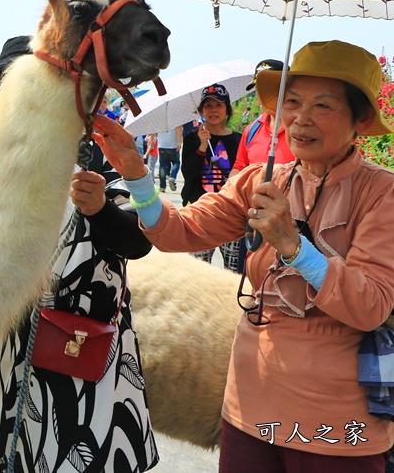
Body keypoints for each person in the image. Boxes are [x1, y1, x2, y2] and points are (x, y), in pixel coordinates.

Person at [91, 40, 394, 472]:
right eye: (292, 102)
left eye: (322, 106)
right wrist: (137, 175)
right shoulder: (261, 181)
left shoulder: (382, 193)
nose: (300, 119)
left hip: (336, 418)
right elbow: (180, 230)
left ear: (360, 118)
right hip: (248, 404)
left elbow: (370, 306)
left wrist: (293, 246)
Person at [0, 36, 158, 473]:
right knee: (16, 453)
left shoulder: (102, 152)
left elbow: (140, 241)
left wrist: (101, 210)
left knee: (83, 453)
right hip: (10, 349)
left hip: (83, 347)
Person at [180, 83, 243, 271]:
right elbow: (189, 173)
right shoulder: (192, 139)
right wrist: (201, 146)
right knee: (198, 272)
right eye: (208, 106)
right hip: (201, 213)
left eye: (219, 105)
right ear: (201, 110)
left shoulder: (239, 140)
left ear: (227, 109)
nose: (213, 110)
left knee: (234, 273)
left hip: (231, 215)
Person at [232, 59, 295, 173]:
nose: (263, 94)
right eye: (259, 89)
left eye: (269, 88)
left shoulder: (302, 128)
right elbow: (239, 167)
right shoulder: (252, 130)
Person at [155, 125, 182, 192]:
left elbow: (153, 131)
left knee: (162, 165)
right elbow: (179, 128)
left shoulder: (159, 120)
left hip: (162, 145)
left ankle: (162, 187)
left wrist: (152, 139)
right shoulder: (174, 119)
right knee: (176, 162)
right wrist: (180, 141)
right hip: (173, 145)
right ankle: (172, 177)